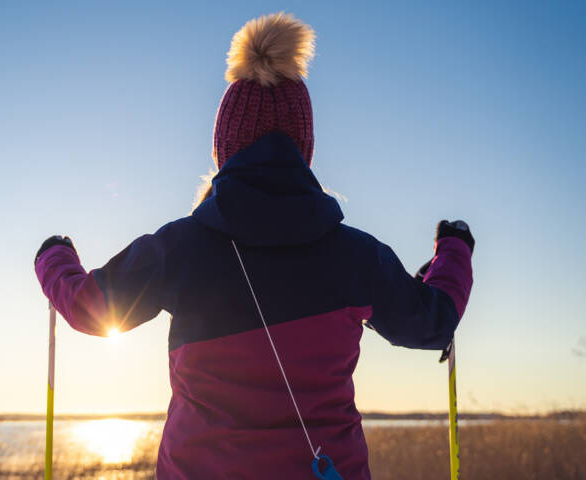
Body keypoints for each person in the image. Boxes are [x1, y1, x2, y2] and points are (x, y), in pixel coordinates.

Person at [34, 12, 473, 480]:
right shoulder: (356, 256)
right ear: (306, 149)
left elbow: (90, 308)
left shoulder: (179, 249)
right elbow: (432, 322)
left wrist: (54, 256)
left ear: (222, 149)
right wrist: (454, 249)